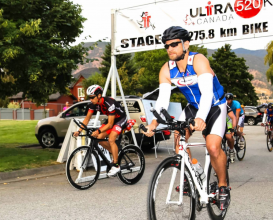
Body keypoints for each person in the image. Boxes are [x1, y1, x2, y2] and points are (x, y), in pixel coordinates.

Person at [143, 26, 230, 210]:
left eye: (174, 44)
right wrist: (153, 123)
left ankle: (223, 186)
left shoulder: (198, 60)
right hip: (193, 106)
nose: (170, 49)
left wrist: (200, 118)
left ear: (186, 44)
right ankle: (193, 172)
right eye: (167, 46)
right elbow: (162, 100)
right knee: (178, 138)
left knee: (213, 147)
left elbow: (207, 94)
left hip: (215, 105)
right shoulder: (167, 69)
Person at [73, 85, 127, 177]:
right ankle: (115, 154)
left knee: (111, 139)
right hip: (111, 120)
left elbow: (110, 124)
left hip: (120, 119)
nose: (91, 99)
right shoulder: (93, 104)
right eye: (89, 98)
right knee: (99, 138)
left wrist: (98, 130)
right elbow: (87, 119)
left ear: (99, 95)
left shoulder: (109, 103)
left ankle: (116, 166)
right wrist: (79, 130)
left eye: (92, 97)